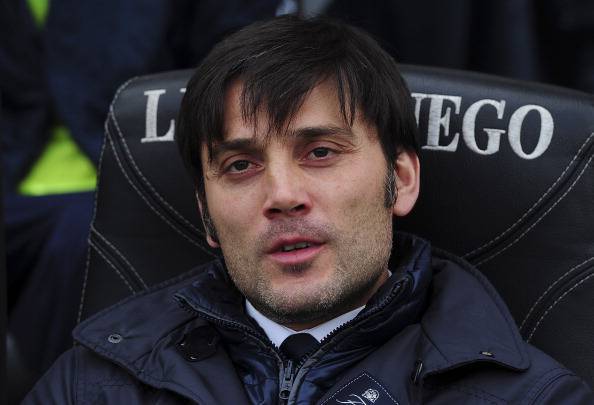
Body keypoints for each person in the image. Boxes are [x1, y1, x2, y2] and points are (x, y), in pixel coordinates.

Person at [23, 15, 593, 404]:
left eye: (320, 152)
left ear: (400, 179)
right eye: (240, 165)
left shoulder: (529, 397)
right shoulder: (94, 383)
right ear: (206, 216)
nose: (282, 194)